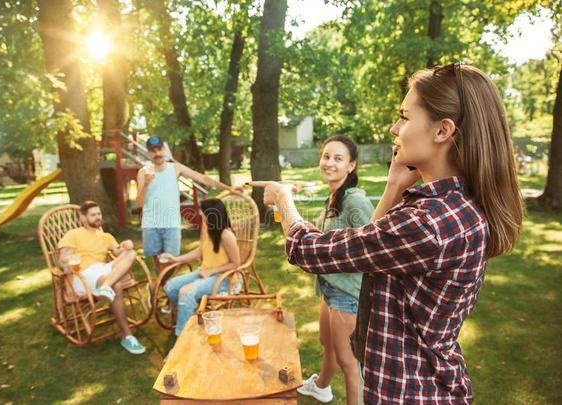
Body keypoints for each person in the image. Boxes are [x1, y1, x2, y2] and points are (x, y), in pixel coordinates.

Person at [252, 63, 523, 404]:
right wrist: (395, 183)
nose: (395, 128)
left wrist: (283, 197)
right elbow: (371, 248)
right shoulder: (451, 208)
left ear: (442, 130)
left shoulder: (429, 223)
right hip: (421, 384)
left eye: (406, 117)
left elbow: (307, 249)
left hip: (411, 391)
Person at [297, 135, 373, 405]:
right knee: (326, 342)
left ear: (351, 165)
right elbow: (324, 235)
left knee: (350, 364)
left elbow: (373, 246)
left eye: (338, 158)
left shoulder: (355, 202)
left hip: (347, 293)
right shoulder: (334, 197)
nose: (329, 163)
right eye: (326, 156)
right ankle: (321, 387)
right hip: (329, 288)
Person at [136, 135, 240, 274]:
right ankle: (159, 292)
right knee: (157, 262)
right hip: (151, 223)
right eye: (153, 151)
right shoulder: (143, 172)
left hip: (171, 223)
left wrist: (228, 188)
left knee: (171, 262)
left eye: (159, 149)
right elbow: (139, 203)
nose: (157, 154)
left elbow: (202, 178)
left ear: (164, 150)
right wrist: (146, 184)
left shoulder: (175, 168)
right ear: (149, 152)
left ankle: (158, 288)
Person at [58, 200, 146, 355]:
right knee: (116, 285)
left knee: (131, 254)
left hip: (102, 271)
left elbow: (119, 253)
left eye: (99, 214)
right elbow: (62, 258)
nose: (98, 217)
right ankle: (127, 335)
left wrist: (126, 246)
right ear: (83, 218)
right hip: (82, 275)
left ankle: (106, 286)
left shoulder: (106, 236)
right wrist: (68, 262)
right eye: (93, 215)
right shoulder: (73, 235)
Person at [158, 198, 241, 337]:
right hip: (205, 273)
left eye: (202, 212)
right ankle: (186, 316)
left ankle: (182, 337)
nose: (200, 214)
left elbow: (236, 264)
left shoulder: (227, 235)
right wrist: (175, 259)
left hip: (224, 279)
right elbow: (200, 251)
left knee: (185, 292)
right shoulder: (207, 229)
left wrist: (211, 271)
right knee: (171, 286)